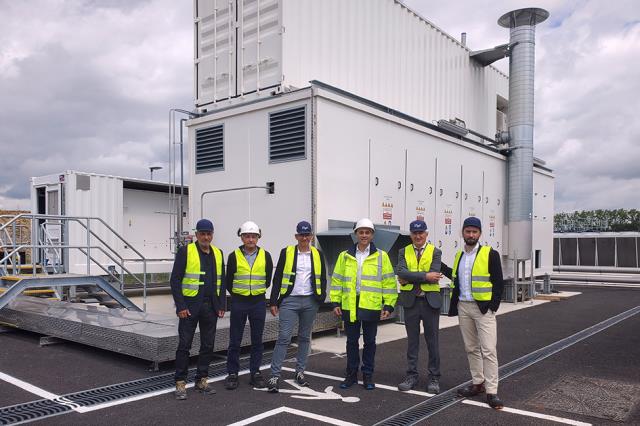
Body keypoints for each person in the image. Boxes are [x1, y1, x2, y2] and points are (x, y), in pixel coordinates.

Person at [440, 217, 505, 409]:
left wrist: (493, 306)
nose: (471, 235)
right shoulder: (460, 256)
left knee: (489, 350)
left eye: (474, 232)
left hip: (483, 309)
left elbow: (498, 282)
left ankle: (492, 391)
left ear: (479, 234)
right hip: (464, 307)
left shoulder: (490, 254)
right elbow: (456, 277)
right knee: (471, 348)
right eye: (467, 231)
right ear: (462, 232)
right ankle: (478, 383)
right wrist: (440, 266)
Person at [330, 218, 398, 390]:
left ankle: (368, 375)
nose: (364, 235)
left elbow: (389, 282)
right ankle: (351, 374)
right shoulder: (344, 256)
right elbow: (337, 280)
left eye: (367, 232)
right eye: (361, 232)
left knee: (370, 342)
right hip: (350, 303)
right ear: (356, 234)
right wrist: (335, 301)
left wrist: (389, 305)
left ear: (372, 235)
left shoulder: (381, 256)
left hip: (371, 304)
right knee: (351, 341)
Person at [267, 221, 328, 393]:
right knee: (284, 337)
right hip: (290, 301)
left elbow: (322, 277)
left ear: (311, 236)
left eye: (307, 234)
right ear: (296, 236)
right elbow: (278, 277)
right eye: (301, 235)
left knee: (304, 338)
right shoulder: (287, 252)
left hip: (310, 301)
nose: (304, 238)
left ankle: (300, 372)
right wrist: (273, 301)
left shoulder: (317, 253)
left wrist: (320, 297)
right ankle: (274, 375)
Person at [170, 218, 225, 400]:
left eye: (209, 234)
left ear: (212, 235)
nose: (206, 237)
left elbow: (221, 281)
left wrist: (222, 305)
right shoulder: (186, 251)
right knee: (185, 345)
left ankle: (202, 379)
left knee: (208, 345)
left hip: (211, 307)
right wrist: (181, 306)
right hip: (190, 307)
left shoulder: (218, 253)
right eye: (202, 233)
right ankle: (180, 383)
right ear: (197, 235)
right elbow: (175, 280)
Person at [396, 219, 444, 394]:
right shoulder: (403, 251)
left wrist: (410, 277)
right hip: (411, 301)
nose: (418, 236)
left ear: (426, 234)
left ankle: (434, 378)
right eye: (414, 233)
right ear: (410, 234)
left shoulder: (435, 252)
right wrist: (425, 276)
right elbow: (401, 272)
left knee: (433, 342)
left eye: (421, 233)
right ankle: (411, 376)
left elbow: (435, 273)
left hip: (430, 301)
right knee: (412, 342)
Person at [224, 221, 273, 390]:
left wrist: (255, 291)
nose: (250, 239)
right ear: (242, 237)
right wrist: (239, 294)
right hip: (239, 301)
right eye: (247, 236)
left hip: (258, 301)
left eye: (253, 236)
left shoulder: (266, 256)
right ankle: (232, 373)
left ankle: (255, 373)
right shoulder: (233, 256)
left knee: (257, 340)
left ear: (258, 237)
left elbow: (267, 280)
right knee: (235, 340)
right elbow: (228, 280)